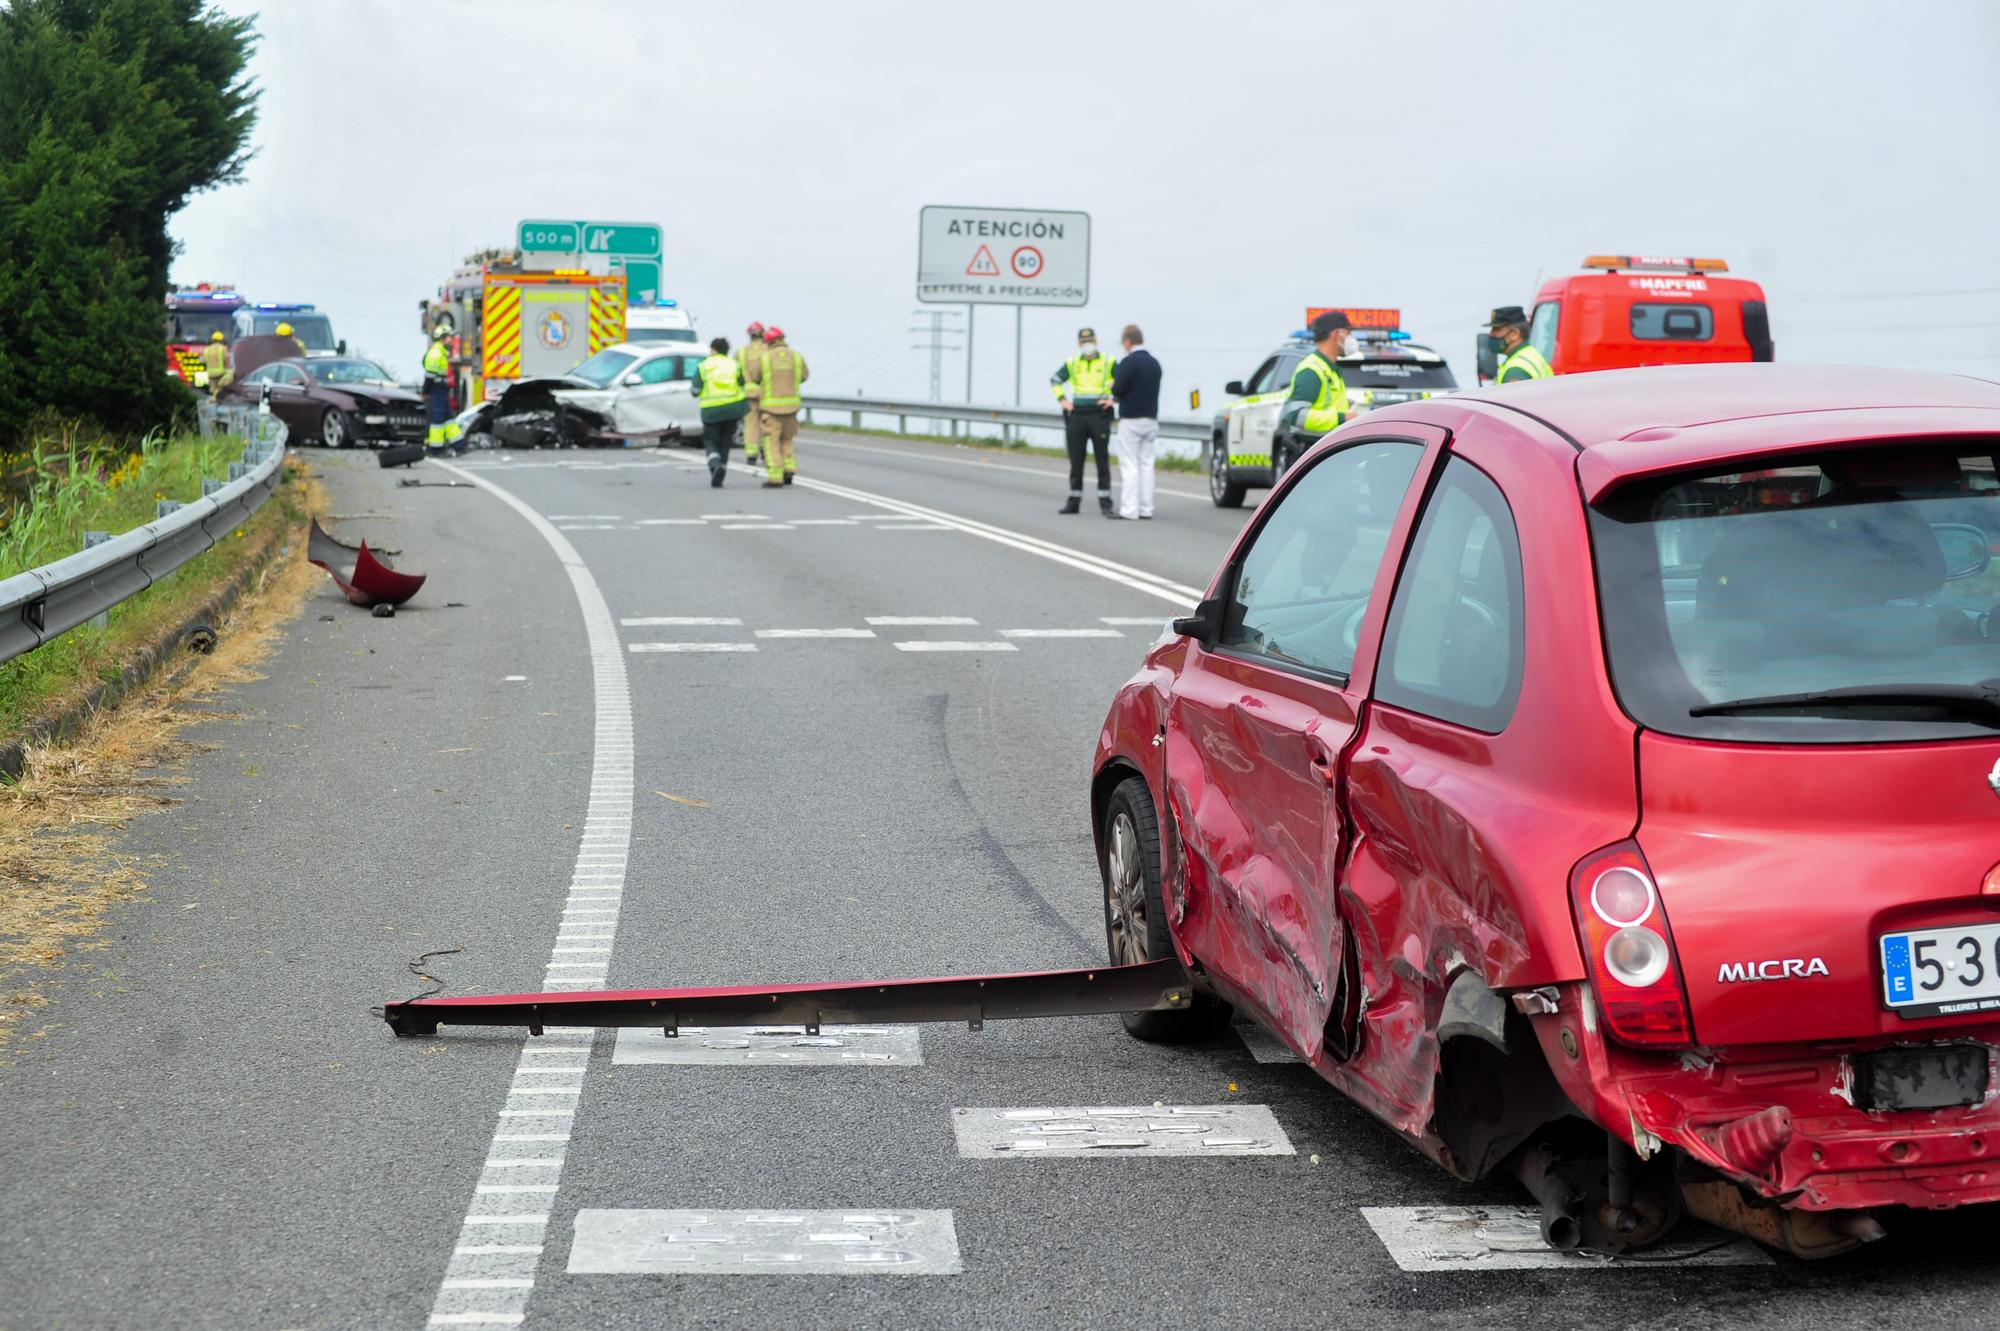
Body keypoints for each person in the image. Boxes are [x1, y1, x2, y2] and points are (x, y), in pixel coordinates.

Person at [1050, 327, 1117, 514]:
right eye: (1084, 342)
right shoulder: (1072, 363)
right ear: (1079, 344)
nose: (1088, 345)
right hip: (1078, 414)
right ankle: (1074, 501)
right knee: (1076, 460)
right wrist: (1063, 400)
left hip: (1099, 413)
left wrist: (1114, 399)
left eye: (1091, 341)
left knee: (1102, 460)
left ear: (1096, 341)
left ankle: (1105, 502)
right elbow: (1055, 380)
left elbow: (1124, 381)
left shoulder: (1108, 362)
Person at [1276, 310, 1353, 468]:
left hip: (1326, 453)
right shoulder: (1312, 371)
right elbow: (1296, 415)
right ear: (1337, 334)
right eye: (1349, 333)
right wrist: (1341, 418)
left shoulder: (1330, 369)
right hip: (1311, 455)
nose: (1352, 339)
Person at [1107, 324, 1162, 520]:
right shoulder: (1155, 363)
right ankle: (1146, 508)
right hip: (1151, 419)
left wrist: (1113, 385)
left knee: (1129, 465)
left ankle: (1129, 510)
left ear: (1128, 341)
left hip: (1131, 420)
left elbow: (1118, 390)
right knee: (1147, 465)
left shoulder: (1128, 363)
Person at [747, 326, 808, 488]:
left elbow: (754, 376)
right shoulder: (796, 357)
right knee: (787, 439)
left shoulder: (765, 358)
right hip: (792, 408)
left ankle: (775, 477)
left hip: (771, 410)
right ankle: (789, 469)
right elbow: (804, 376)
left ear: (770, 342)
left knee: (771, 442)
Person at [695, 336, 750, 487]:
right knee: (725, 442)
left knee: (710, 441)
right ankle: (722, 468)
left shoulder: (704, 365)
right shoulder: (734, 364)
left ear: (713, 349)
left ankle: (715, 465)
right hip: (732, 410)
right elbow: (742, 383)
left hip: (711, 410)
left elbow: (695, 390)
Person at [422, 325, 462, 453]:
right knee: (438, 420)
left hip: (441, 391)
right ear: (443, 338)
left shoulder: (440, 353)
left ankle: (459, 445)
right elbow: (429, 377)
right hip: (436, 390)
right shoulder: (435, 353)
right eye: (449, 337)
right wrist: (426, 393)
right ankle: (435, 448)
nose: (451, 340)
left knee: (448, 418)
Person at [1488, 306, 1552, 383]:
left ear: (1515, 334)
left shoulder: (1515, 371)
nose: (1491, 334)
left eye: (1496, 329)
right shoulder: (1531, 354)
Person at [738, 321, 767, 466]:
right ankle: (766, 451)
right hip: (766, 394)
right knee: (766, 423)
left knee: (750, 425)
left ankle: (751, 454)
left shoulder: (742, 352)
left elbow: (735, 372)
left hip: (748, 394)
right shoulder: (769, 350)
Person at [197, 330, 230, 401]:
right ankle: (219, 402)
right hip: (220, 373)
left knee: (213, 389)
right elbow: (226, 360)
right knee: (220, 388)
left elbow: (201, 360)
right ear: (221, 339)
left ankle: (213, 400)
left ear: (213, 339)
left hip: (210, 373)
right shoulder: (223, 348)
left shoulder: (207, 349)